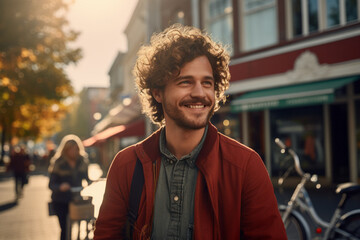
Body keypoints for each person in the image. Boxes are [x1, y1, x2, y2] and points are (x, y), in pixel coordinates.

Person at [94, 24, 287, 239]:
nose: (199, 93)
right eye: (185, 82)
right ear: (157, 92)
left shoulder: (246, 166)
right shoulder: (126, 165)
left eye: (207, 83)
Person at [48, 134, 91, 240]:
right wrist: (60, 187)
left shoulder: (82, 161)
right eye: (70, 149)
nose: (73, 152)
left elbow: (87, 179)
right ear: (65, 150)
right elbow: (51, 184)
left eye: (75, 149)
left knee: (81, 226)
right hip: (60, 200)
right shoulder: (58, 162)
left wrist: (92, 184)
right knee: (65, 228)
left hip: (76, 200)